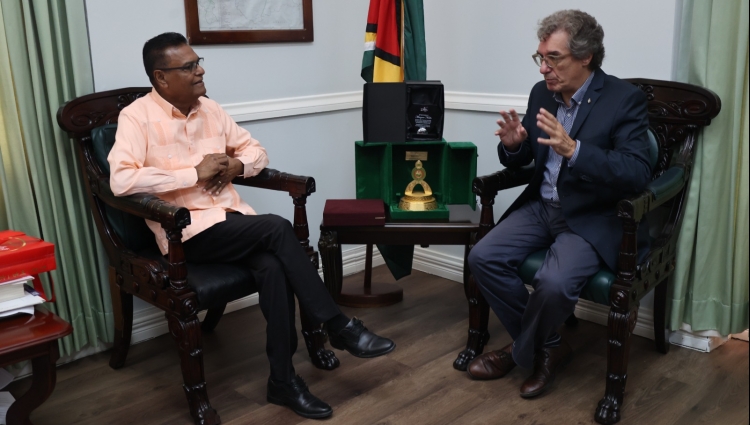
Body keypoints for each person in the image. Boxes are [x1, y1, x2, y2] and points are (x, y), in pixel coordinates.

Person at [108, 32, 395, 420]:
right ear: (161, 78)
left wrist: (237, 165)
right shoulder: (137, 117)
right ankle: (338, 325)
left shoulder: (210, 109)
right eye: (189, 67)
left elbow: (256, 151)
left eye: (198, 62)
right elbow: (121, 181)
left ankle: (283, 381)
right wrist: (193, 173)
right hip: (186, 234)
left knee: (273, 267)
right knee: (277, 228)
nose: (200, 71)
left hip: (231, 223)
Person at [466, 10, 652, 398]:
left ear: (585, 57)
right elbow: (529, 156)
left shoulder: (623, 100)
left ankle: (519, 352)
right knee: (482, 257)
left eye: (553, 58)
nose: (543, 69)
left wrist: (576, 150)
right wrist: (513, 147)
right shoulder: (542, 94)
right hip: (541, 207)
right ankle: (550, 346)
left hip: (590, 217)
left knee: (553, 283)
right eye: (540, 57)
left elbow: (636, 172)